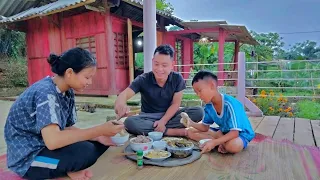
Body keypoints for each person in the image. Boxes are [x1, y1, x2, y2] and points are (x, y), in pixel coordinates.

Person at [4, 47, 125, 180]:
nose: (89, 82)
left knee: (100, 143)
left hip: (44, 144)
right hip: (28, 157)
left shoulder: (67, 92)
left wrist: (98, 136)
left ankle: (67, 167)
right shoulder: (46, 93)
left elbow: (66, 128)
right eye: (87, 77)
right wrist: (98, 130)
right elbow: (53, 141)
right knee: (86, 152)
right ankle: (66, 168)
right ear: (69, 73)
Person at [115, 44, 204, 137]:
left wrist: (163, 121)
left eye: (164, 65)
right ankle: (171, 131)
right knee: (130, 122)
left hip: (170, 115)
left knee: (198, 111)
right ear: (152, 61)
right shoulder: (143, 79)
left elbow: (175, 104)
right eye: (156, 64)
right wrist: (121, 105)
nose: (159, 69)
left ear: (172, 65)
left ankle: (158, 129)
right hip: (148, 117)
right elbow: (123, 95)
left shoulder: (177, 78)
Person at [186, 70, 255, 154]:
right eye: (196, 93)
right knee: (190, 131)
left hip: (241, 134)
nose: (198, 95)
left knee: (232, 146)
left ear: (212, 85)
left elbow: (235, 133)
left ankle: (218, 139)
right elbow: (205, 127)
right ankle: (219, 139)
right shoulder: (209, 106)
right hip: (224, 131)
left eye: (200, 91)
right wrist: (191, 123)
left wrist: (214, 142)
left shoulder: (229, 104)